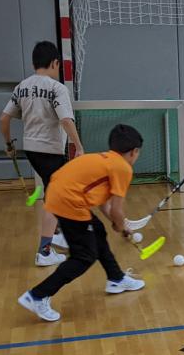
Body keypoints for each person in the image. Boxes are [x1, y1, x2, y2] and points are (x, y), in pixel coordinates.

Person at [17, 124, 145, 322]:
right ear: (134, 152)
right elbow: (118, 209)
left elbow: (104, 205)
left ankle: (116, 278)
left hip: (57, 195)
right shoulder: (122, 168)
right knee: (84, 256)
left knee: (98, 230)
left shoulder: (103, 159)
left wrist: (118, 224)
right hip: (69, 203)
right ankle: (38, 295)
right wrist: (120, 226)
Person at [0, 41, 86, 266]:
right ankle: (44, 252)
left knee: (55, 190)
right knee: (55, 197)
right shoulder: (57, 88)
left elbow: (5, 118)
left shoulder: (22, 87)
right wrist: (79, 146)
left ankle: (56, 233)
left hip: (31, 150)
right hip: (50, 150)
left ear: (33, 63)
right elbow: (66, 120)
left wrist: (9, 144)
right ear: (56, 62)